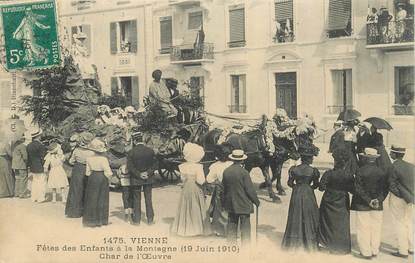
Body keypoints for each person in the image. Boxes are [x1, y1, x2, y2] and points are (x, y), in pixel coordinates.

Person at [351, 148, 389, 259]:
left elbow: (358, 188)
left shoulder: (360, 171)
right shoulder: (382, 172)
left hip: (362, 204)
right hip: (378, 205)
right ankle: (374, 250)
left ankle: (365, 252)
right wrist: (378, 199)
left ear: (365, 158)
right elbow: (385, 189)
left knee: (363, 227)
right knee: (376, 227)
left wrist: (368, 200)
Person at [281, 145, 320, 251]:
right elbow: (316, 184)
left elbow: (289, 183)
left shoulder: (294, 169)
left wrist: (297, 187)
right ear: (309, 158)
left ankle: (294, 242)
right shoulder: (313, 170)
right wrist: (308, 187)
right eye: (311, 157)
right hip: (308, 193)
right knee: (309, 215)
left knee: (296, 214)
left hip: (297, 193)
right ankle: (308, 242)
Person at [318, 147, 354, 254]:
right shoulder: (349, 175)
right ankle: (341, 246)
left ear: (335, 161)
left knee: (327, 221)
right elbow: (352, 189)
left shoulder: (328, 173)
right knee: (341, 223)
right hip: (342, 199)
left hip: (329, 199)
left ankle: (326, 243)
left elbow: (321, 187)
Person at [171, 143, 211, 236]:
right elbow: (201, 181)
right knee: (196, 205)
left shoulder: (182, 166)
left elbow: (183, 179)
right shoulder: (198, 167)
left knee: (186, 206)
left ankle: (185, 228)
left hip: (186, 187)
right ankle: (196, 229)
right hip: (195, 187)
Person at [222, 149, 260, 246]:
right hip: (243, 204)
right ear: (242, 160)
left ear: (232, 159)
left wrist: (224, 203)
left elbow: (224, 189)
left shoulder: (226, 171)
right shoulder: (244, 173)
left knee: (232, 225)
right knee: (245, 228)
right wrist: (256, 201)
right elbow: (249, 190)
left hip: (231, 203)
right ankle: (245, 247)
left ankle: (231, 247)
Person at [388, 145, 414, 258]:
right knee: (408, 222)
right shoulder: (411, 166)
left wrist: (400, 195)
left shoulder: (393, 166)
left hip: (398, 199)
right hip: (411, 199)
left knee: (399, 223)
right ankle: (411, 247)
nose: (389, 154)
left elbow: (391, 185)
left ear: (394, 154)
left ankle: (402, 250)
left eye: (391, 152)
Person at [126, 132, 156, 225]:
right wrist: (147, 173)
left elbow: (130, 167)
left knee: (136, 199)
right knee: (148, 198)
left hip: (136, 179)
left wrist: (139, 174)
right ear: (142, 140)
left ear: (134, 141)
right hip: (149, 178)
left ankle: (137, 220)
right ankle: (150, 219)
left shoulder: (131, 152)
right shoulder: (150, 151)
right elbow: (155, 164)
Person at [83, 139, 113, 227]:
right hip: (101, 177)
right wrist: (109, 181)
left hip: (92, 178)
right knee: (102, 198)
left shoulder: (88, 159)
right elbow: (108, 172)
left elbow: (87, 172)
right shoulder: (104, 159)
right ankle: (101, 220)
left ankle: (91, 220)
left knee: (92, 198)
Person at [65, 132, 95, 218]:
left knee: (76, 189)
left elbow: (71, 161)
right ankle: (85, 210)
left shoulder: (76, 150)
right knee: (86, 189)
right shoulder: (91, 152)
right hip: (88, 169)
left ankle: (74, 211)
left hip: (77, 169)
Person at [206, 144, 233, 236]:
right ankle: (232, 229)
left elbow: (209, 179)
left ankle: (221, 230)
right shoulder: (232, 164)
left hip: (221, 188)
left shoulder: (215, 166)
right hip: (232, 189)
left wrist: (216, 181)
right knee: (231, 209)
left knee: (220, 208)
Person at [26, 128, 47, 202]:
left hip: (33, 166)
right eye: (40, 135)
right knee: (41, 182)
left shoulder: (28, 146)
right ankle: (40, 198)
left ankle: (34, 197)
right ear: (38, 136)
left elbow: (28, 157)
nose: (41, 136)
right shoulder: (40, 145)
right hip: (40, 166)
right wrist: (45, 166)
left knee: (34, 182)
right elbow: (43, 157)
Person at [0, 132, 13, 198]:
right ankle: (9, 192)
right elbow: (10, 154)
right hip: (4, 160)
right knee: (7, 175)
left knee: (1, 177)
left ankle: (2, 192)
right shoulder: (6, 144)